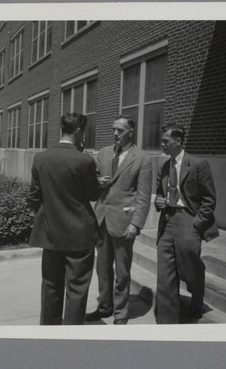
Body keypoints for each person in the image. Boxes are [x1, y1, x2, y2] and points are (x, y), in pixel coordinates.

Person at [27, 113, 100, 325]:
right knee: (77, 289)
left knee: (50, 285)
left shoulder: (41, 158)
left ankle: (49, 331)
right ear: (79, 131)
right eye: (83, 131)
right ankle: (71, 333)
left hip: (50, 234)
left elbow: (33, 197)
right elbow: (93, 194)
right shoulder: (84, 160)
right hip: (79, 235)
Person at [86, 115, 152, 325]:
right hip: (102, 218)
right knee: (102, 267)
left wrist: (136, 223)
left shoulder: (142, 158)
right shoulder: (104, 153)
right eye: (113, 130)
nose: (115, 134)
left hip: (124, 222)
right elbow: (91, 181)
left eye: (120, 130)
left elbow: (142, 196)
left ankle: (121, 313)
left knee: (122, 271)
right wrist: (97, 182)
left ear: (130, 132)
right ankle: (105, 306)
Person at [154, 123, 219, 324]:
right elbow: (160, 192)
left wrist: (196, 224)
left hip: (188, 220)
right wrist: (158, 201)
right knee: (165, 273)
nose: (162, 145)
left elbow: (209, 199)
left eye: (166, 141)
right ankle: (167, 322)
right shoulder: (164, 166)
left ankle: (196, 295)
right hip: (167, 220)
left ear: (178, 141)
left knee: (190, 269)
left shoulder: (198, 164)